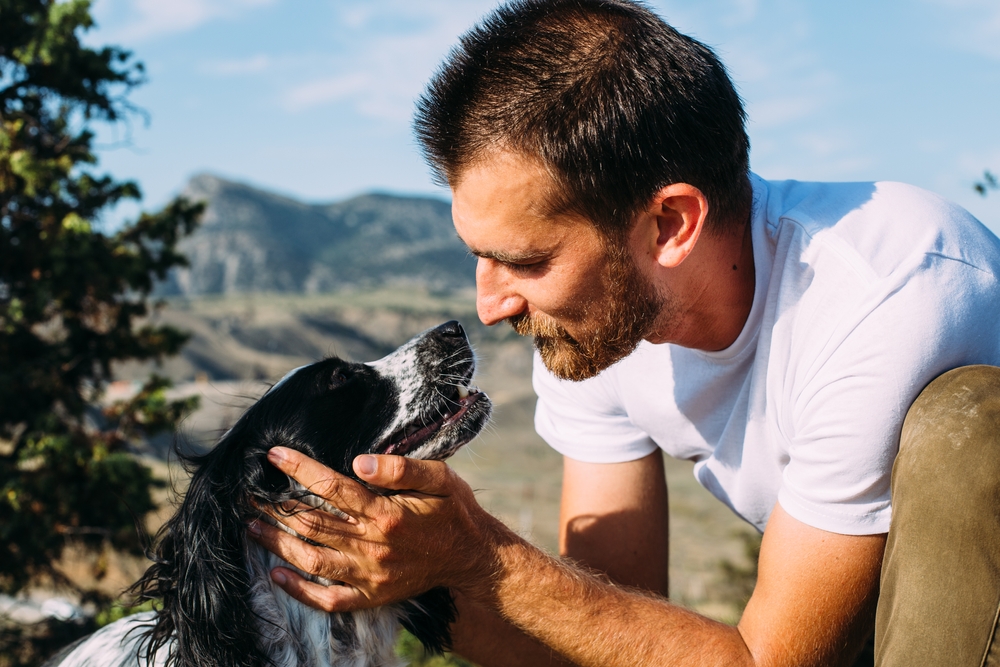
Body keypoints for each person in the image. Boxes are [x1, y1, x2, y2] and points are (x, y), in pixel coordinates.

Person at [248, 1, 1000, 665]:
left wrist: (476, 556)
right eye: (479, 254)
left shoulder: (881, 298)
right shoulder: (598, 319)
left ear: (670, 224)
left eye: (525, 260)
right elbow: (605, 632)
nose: (490, 305)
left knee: (962, 428)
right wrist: (402, 571)